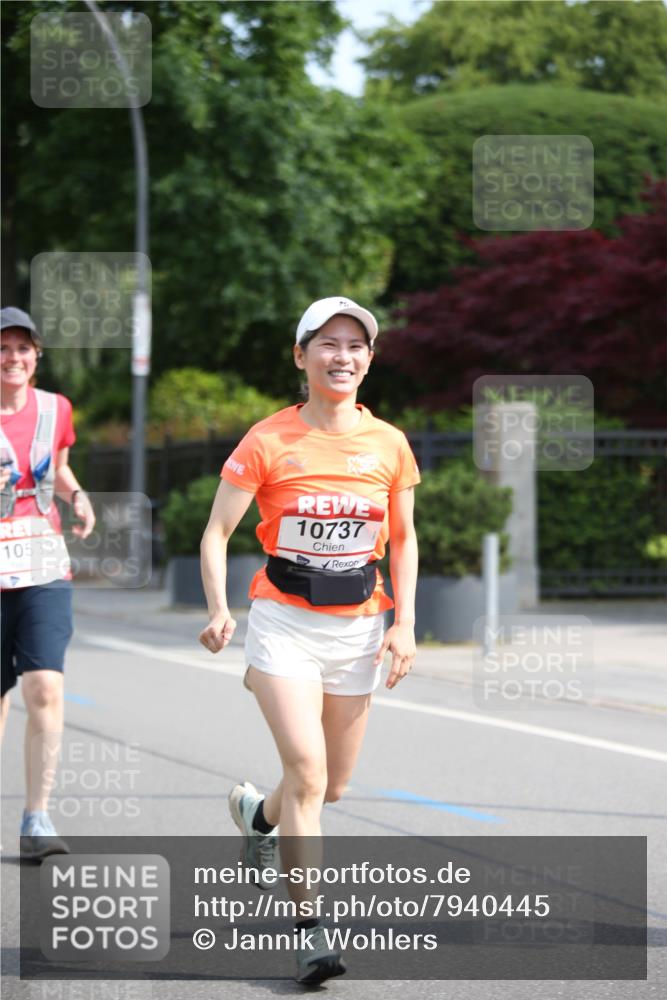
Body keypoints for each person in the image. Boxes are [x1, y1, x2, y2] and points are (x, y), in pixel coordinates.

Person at [199, 296, 420, 984]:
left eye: (356, 345)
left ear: (369, 360)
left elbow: (405, 538)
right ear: (301, 356)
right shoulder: (267, 439)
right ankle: (310, 930)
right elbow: (215, 533)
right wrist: (217, 607)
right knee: (308, 770)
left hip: (357, 627)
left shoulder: (387, 443)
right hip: (282, 625)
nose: (343, 356)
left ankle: (256, 818)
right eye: (328, 343)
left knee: (332, 786)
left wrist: (404, 623)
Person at [0, 306, 96, 860]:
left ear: (36, 356)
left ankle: (37, 817)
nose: (13, 358)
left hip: (41, 564)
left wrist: (76, 495)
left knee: (45, 686)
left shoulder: (56, 408)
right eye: (4, 349)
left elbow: (57, 467)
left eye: (22, 348)